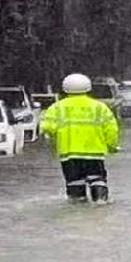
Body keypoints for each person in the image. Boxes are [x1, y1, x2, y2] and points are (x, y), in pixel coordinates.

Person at [39, 74, 120, 203]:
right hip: (94, 153)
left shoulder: (56, 108)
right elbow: (111, 129)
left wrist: (54, 141)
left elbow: (47, 128)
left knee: (75, 184)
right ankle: (100, 204)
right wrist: (112, 146)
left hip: (69, 154)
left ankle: (78, 206)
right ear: (88, 87)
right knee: (98, 180)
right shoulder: (99, 107)